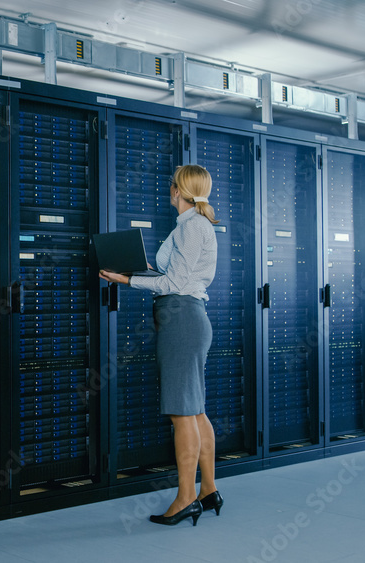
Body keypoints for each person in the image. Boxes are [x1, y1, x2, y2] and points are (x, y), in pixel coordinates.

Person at [99, 164, 223, 527]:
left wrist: (127, 278)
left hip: (180, 318)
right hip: (188, 315)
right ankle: (208, 489)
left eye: (170, 185)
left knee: (181, 412)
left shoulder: (191, 226)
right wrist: (143, 271)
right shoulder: (194, 226)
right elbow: (175, 277)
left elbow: (175, 283)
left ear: (177, 191)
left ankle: (185, 498)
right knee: (195, 409)